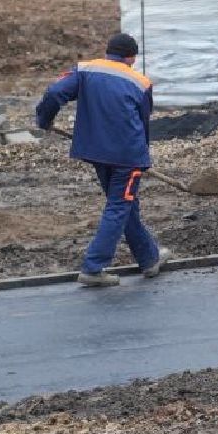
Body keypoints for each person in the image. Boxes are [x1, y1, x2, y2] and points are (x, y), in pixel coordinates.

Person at [36, 32, 168, 287]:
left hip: (96, 152)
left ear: (108, 53)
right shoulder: (140, 83)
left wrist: (44, 119)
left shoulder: (85, 70)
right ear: (131, 58)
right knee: (119, 206)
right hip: (127, 156)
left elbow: (54, 92)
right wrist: (142, 158)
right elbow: (143, 123)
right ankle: (94, 267)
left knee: (125, 205)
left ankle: (150, 258)